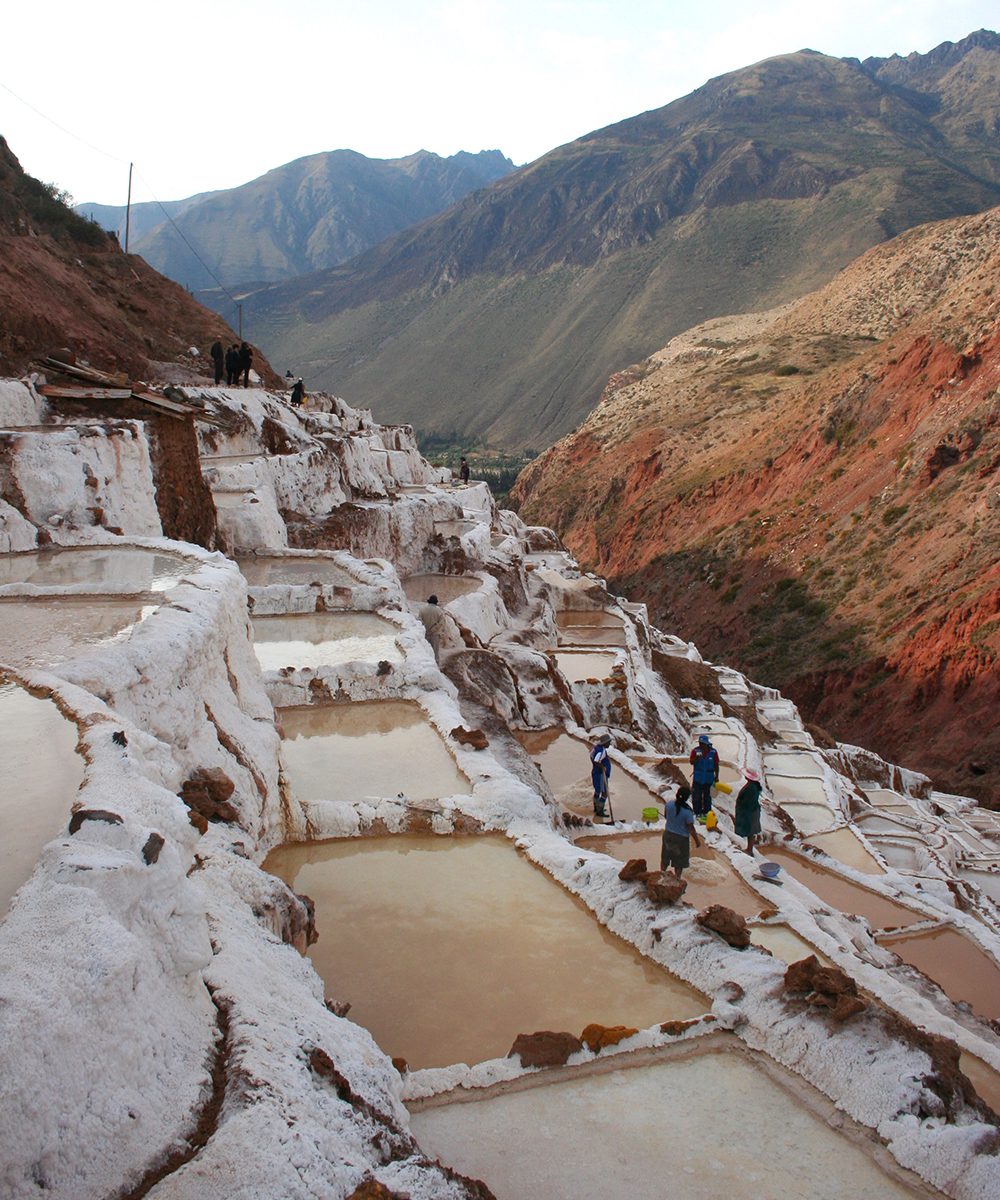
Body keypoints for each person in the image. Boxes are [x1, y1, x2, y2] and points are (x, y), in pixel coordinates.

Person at [661, 785, 701, 878]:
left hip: (668, 835)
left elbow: (666, 816)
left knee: (665, 858)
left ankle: (661, 876)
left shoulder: (669, 804)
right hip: (681, 840)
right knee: (679, 862)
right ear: (687, 797)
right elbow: (691, 828)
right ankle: (677, 879)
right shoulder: (687, 812)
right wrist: (697, 841)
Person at [689, 733, 719, 822]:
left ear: (706, 743)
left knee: (707, 797)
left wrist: (717, 776)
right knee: (696, 796)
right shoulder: (696, 751)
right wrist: (697, 758)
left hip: (708, 779)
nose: (700, 745)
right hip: (698, 778)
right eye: (700, 743)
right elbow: (691, 762)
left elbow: (716, 765)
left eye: (702, 743)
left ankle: (706, 813)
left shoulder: (713, 752)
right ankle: (697, 813)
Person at [734, 768, 763, 856]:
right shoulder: (753, 785)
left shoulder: (751, 787)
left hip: (749, 812)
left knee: (750, 831)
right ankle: (749, 849)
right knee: (751, 830)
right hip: (752, 811)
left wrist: (741, 806)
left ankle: (749, 850)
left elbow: (747, 802)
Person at [590, 732, 612, 818]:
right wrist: (602, 767)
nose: (609, 744)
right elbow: (596, 760)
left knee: (597, 791)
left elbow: (591, 756)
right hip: (601, 775)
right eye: (609, 742)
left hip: (595, 772)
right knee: (604, 793)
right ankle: (600, 811)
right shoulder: (601, 751)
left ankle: (596, 808)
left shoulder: (596, 748)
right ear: (605, 743)